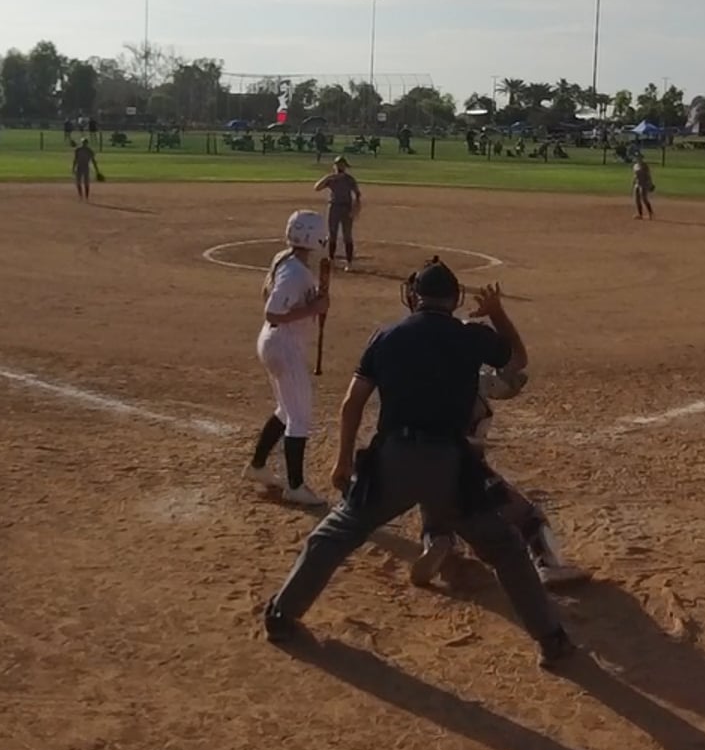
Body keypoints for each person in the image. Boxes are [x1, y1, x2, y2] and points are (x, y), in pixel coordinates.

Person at [261, 258, 575, 669]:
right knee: (505, 549)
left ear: (413, 296)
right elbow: (517, 359)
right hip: (452, 466)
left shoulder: (387, 336)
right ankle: (551, 640)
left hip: (393, 461)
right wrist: (497, 313)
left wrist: (342, 461)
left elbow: (352, 403)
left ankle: (281, 615)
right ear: (454, 299)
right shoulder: (471, 336)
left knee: (332, 536)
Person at [412, 369, 589, 590]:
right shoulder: (474, 377)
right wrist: (513, 371)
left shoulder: (418, 384)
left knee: (436, 510)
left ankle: (439, 544)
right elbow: (508, 385)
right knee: (528, 516)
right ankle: (548, 564)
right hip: (473, 473)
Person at [244, 210, 332, 506]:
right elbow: (273, 312)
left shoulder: (287, 261)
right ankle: (295, 486)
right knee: (299, 417)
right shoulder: (294, 272)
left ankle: (257, 466)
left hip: (276, 343)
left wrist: (314, 302)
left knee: (286, 410)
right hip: (284, 346)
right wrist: (313, 309)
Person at [313, 156, 362, 267]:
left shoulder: (349, 179)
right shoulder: (331, 179)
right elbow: (317, 187)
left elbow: (357, 194)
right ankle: (331, 259)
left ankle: (349, 262)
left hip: (346, 207)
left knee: (347, 235)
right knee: (332, 234)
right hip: (334, 207)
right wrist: (328, 177)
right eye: (338, 165)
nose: (340, 167)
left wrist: (355, 209)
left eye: (342, 165)